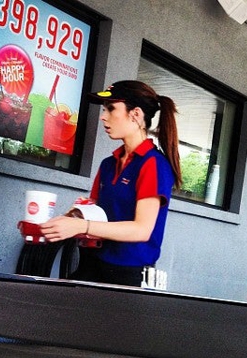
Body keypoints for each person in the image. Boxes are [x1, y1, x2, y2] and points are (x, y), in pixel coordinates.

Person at [40, 80, 181, 286]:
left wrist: (82, 224)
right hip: (93, 263)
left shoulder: (153, 164)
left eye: (111, 108)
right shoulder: (108, 164)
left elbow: (141, 230)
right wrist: (73, 216)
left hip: (126, 275)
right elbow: (96, 212)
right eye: (104, 109)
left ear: (136, 114)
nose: (103, 116)